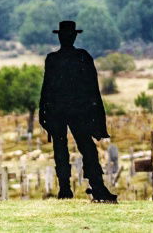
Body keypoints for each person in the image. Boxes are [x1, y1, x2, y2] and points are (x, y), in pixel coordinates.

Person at [38, 20, 118, 203]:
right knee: (69, 148)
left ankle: (90, 187)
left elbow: (92, 89)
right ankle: (71, 188)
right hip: (69, 111)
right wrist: (42, 110)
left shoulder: (73, 57)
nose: (66, 37)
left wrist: (43, 111)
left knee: (78, 148)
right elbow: (47, 88)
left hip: (70, 111)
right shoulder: (67, 58)